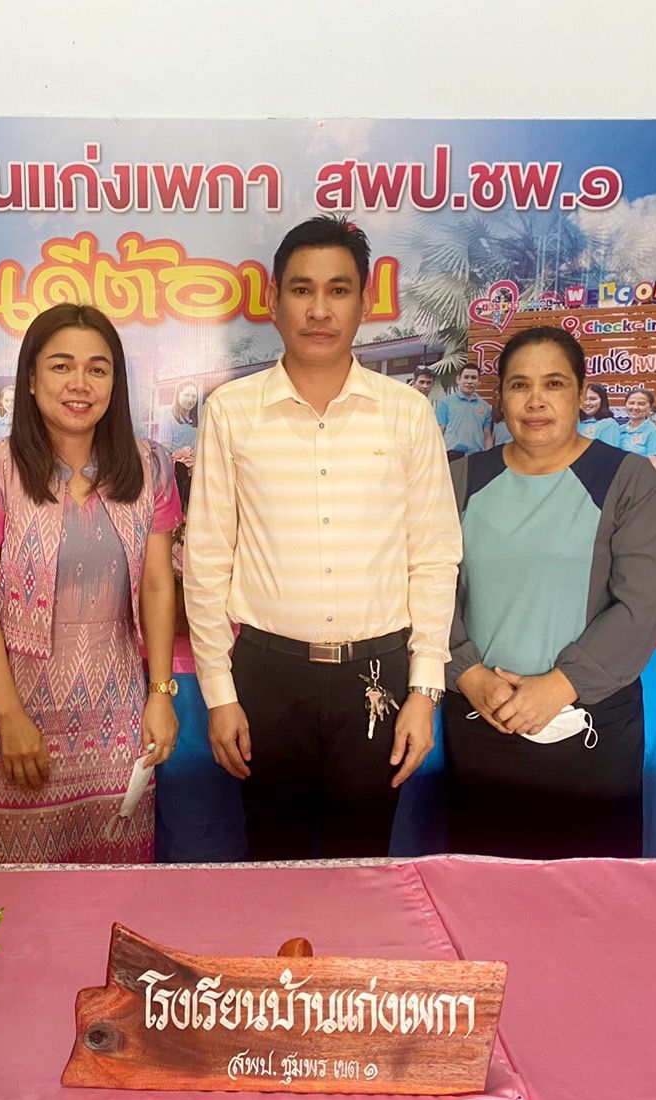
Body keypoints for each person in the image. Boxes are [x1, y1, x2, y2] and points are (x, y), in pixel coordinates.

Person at [185, 216, 458, 861]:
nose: (318, 309)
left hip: (378, 676)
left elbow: (434, 556)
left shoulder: (407, 413)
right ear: (273, 301)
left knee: (362, 866)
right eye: (301, 289)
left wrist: (424, 690)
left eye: (338, 290)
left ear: (365, 302)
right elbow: (206, 559)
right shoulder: (231, 412)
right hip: (267, 678)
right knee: (271, 865)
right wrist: (220, 695)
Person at [0, 303, 181, 864]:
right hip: (20, 710)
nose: (80, 383)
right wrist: (9, 716)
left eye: (98, 369)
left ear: (115, 384)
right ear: (30, 378)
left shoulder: (150, 466)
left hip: (120, 714)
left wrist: (160, 693)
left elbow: (157, 585)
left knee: (117, 878)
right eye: (61, 366)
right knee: (22, 887)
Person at [445, 325, 656, 860]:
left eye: (553, 383)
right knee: (483, 886)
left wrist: (559, 686)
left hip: (588, 724)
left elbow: (640, 607)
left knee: (589, 892)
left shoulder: (626, 480)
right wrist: (469, 674)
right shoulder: (462, 479)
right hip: (483, 717)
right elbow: (430, 589)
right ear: (500, 398)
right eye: (519, 385)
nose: (536, 401)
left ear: (580, 393)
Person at [436, 365, 494, 460]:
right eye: (466, 377)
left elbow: (487, 436)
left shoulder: (485, 407)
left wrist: (489, 457)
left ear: (479, 382)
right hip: (451, 456)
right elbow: (440, 431)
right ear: (458, 379)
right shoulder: (445, 403)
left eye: (473, 378)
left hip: (477, 456)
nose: (469, 381)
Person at [619, 387, 656, 472]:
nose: (635, 407)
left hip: (639, 478)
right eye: (631, 403)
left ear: (650, 407)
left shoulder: (654, 432)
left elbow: (654, 466)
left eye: (641, 404)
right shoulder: (619, 430)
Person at [159, 379, 201, 455]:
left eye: (194, 396)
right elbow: (164, 451)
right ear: (178, 395)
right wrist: (181, 452)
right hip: (176, 462)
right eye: (186, 395)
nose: (190, 399)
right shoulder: (168, 418)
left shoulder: (197, 419)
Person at [578, 382, 623, 446]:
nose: (587, 403)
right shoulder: (574, 423)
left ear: (602, 400)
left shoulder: (608, 424)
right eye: (584, 399)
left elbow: (609, 451)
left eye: (593, 399)